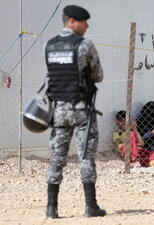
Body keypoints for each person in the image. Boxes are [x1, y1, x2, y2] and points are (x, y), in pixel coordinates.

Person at [44, 5, 106, 218]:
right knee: (86, 156)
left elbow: (51, 76)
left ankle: (51, 209)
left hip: (59, 110)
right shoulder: (84, 45)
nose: (87, 26)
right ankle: (91, 207)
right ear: (71, 21)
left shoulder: (50, 45)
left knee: (57, 157)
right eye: (83, 22)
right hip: (81, 110)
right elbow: (98, 75)